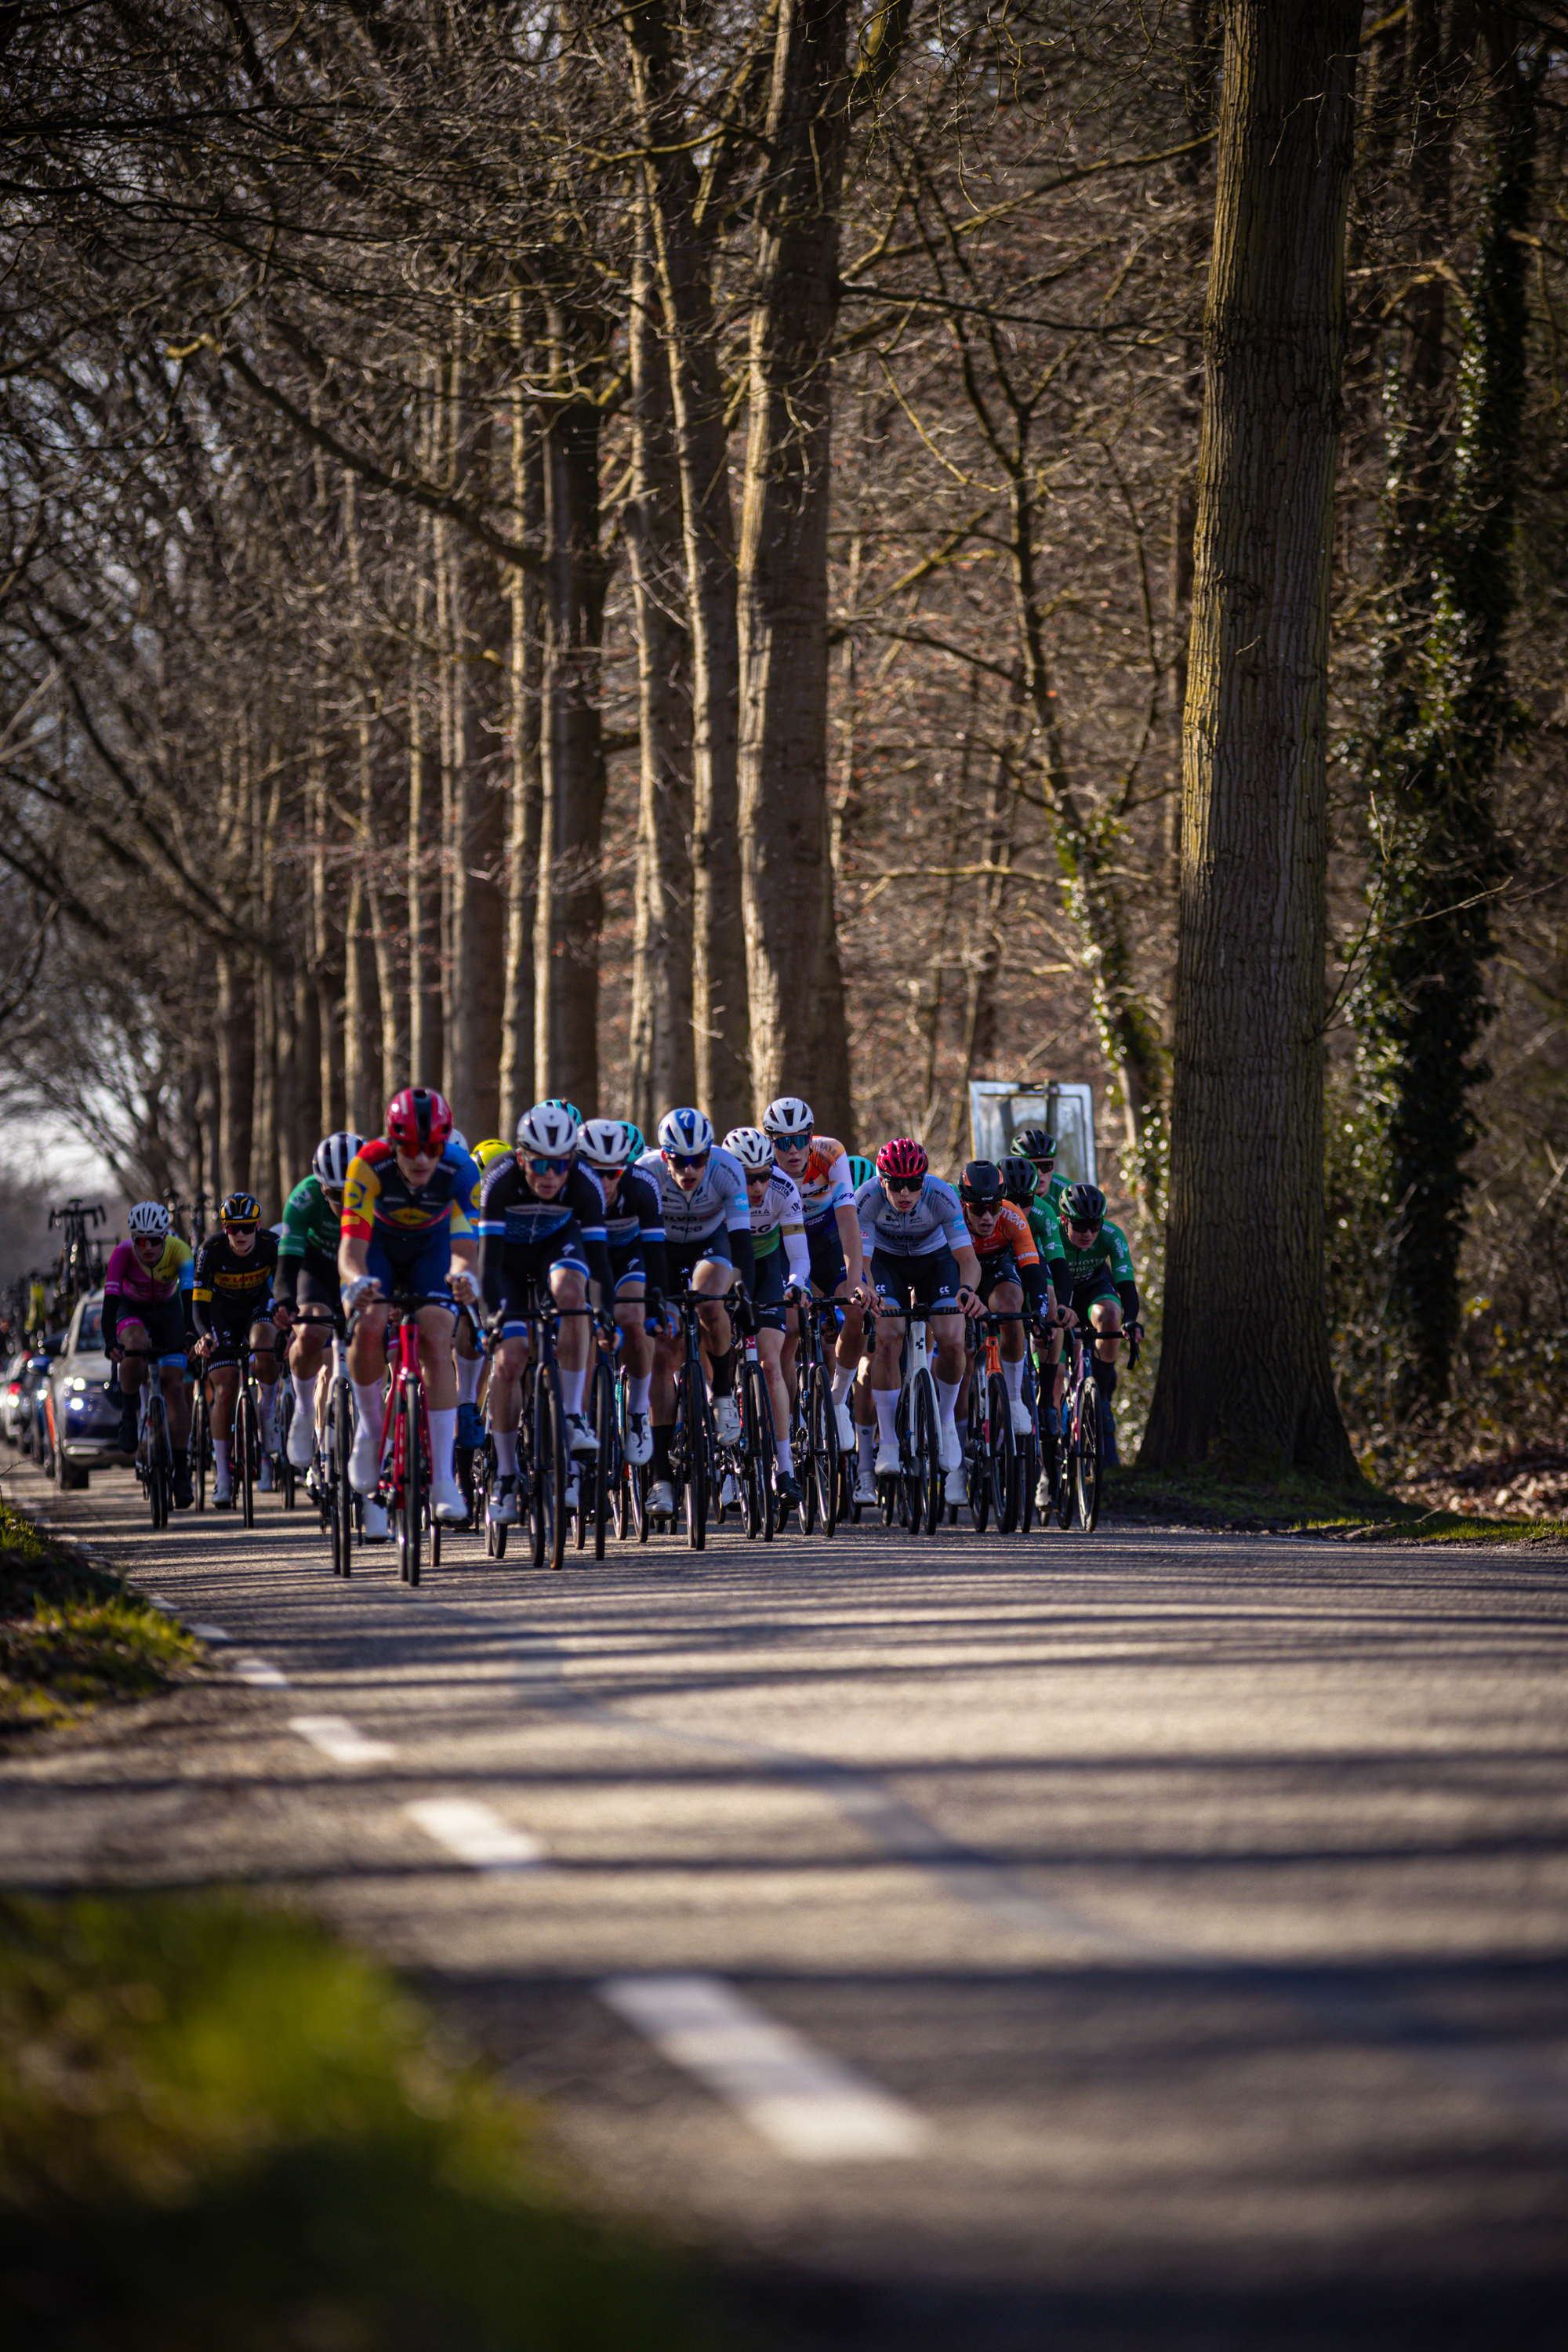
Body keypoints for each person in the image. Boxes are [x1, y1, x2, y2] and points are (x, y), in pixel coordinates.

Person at [339, 1087, 481, 1524]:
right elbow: (350, 1250)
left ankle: (442, 1478)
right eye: (411, 1148)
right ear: (393, 1142)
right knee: (371, 1320)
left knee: (439, 1333)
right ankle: (369, 1427)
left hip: (430, 1250)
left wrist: (463, 1277)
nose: (422, 1160)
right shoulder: (368, 1166)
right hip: (377, 1247)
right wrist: (355, 1282)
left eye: (433, 1148)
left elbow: (464, 1248)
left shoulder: (460, 1170)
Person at [477, 1102, 614, 1528]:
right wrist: (490, 1319)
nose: (550, 1176)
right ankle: (504, 1474)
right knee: (511, 1356)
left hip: (556, 1250)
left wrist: (604, 1314)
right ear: (522, 1158)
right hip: (507, 1265)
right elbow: (486, 1264)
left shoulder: (585, 1185)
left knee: (574, 1296)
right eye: (539, 1165)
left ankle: (572, 1414)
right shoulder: (498, 1182)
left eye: (560, 1165)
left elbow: (599, 1261)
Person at [637, 1109, 755, 1520]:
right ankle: (660, 1479)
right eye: (679, 1160)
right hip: (661, 1251)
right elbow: (640, 1244)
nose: (689, 1170)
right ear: (664, 1156)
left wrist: (741, 1291)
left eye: (698, 1159)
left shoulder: (727, 1169)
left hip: (710, 1243)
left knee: (711, 1301)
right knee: (662, 1350)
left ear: (709, 1154)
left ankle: (722, 1389)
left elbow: (741, 1242)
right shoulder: (645, 1173)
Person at [853, 1138, 982, 1505]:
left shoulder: (942, 1197)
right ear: (882, 1180)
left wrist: (968, 1292)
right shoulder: (866, 1199)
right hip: (886, 1263)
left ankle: (943, 1423)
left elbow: (968, 1261)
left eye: (914, 1183)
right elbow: (862, 1263)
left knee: (952, 1337)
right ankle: (889, 1443)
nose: (905, 1192)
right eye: (896, 1184)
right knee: (890, 1334)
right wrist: (869, 1292)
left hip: (934, 1261)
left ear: (924, 1180)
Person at [760, 1097, 865, 1451]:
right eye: (782, 1142)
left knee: (855, 1312)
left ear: (811, 1137)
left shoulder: (830, 1153)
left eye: (800, 1139)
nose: (793, 1150)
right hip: (779, 1247)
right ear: (769, 1142)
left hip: (824, 1240)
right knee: (789, 1331)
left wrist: (855, 1281)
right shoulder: (760, 1168)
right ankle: (787, 1426)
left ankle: (837, 1399)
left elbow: (849, 1222)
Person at [575, 1116, 666, 1476]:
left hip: (628, 1256)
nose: (604, 1182)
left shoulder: (642, 1186)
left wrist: (658, 1305)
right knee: (579, 1327)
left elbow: (656, 1252)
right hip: (585, 1259)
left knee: (632, 1318)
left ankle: (638, 1413)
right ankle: (576, 1419)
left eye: (613, 1172)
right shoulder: (570, 1186)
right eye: (595, 1172)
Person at [724, 1126, 809, 1508]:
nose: (757, 1187)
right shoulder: (718, 1187)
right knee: (719, 1358)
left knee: (772, 1364)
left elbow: (798, 1254)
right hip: (728, 1266)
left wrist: (797, 1283)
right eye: (748, 1178)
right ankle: (723, 1462)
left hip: (768, 1268)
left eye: (762, 1174)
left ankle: (784, 1467)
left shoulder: (783, 1188)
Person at [191, 1192, 284, 1507]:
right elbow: (199, 1307)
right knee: (227, 1386)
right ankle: (224, 1477)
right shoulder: (210, 1251)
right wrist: (204, 1336)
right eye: (233, 1228)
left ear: (258, 1226)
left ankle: (268, 1411)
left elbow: (285, 1286)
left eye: (247, 1227)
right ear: (225, 1228)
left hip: (257, 1306)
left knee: (265, 1346)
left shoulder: (273, 1245)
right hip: (221, 1312)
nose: (241, 1235)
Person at [101, 1200, 196, 1507]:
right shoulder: (121, 1254)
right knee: (136, 1345)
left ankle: (181, 1474)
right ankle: (130, 1416)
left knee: (175, 1388)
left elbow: (190, 1298)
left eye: (155, 1239)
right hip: (132, 1311)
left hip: (169, 1312)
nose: (148, 1247)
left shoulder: (180, 1250)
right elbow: (110, 1303)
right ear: (133, 1239)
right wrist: (108, 1340)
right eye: (140, 1240)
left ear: (165, 1237)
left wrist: (191, 1334)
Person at [956, 1160, 1054, 1443]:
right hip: (960, 1272)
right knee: (961, 1349)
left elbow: (1033, 1272)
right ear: (964, 1204)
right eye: (977, 1209)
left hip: (997, 1270)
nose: (987, 1217)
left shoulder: (1012, 1217)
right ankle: (958, 1431)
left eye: (994, 1207)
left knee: (1012, 1310)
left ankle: (1012, 1399)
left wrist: (1039, 1314)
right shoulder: (951, 1214)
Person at [1051, 1181, 1139, 1465]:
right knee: (1054, 1374)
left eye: (1095, 1225)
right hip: (1058, 1292)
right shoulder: (1050, 1232)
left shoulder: (1112, 1235)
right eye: (1080, 1226)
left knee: (1111, 1317)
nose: (1088, 1233)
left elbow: (1126, 1286)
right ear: (1064, 1220)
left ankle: (1098, 1393)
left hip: (1093, 1287)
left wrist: (1130, 1320)